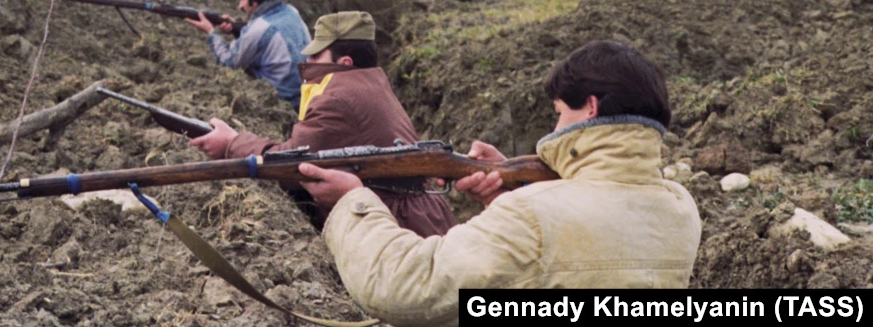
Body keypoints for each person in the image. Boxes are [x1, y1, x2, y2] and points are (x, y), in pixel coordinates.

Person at [297, 40, 702, 326]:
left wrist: (354, 201)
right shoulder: (681, 207)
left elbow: (406, 287)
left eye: (560, 112)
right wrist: (515, 188)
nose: (556, 125)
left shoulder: (533, 215)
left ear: (591, 107)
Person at [190, 11, 456, 238]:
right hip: (420, 219)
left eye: (316, 56)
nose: (308, 63)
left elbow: (290, 163)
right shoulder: (369, 81)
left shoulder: (338, 98)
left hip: (402, 227)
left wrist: (231, 143)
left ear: (345, 63)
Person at [185, 0, 310, 110]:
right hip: (308, 92)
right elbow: (265, 37)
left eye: (242, 0)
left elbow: (229, 62)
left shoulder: (258, 29)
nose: (240, 6)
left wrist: (211, 32)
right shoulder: (291, 11)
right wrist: (237, 29)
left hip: (284, 101)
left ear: (255, 3)